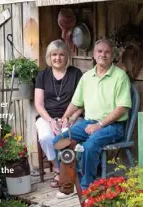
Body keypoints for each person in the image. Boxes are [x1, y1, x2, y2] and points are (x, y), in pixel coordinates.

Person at [53, 38, 132, 192]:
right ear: (94, 55)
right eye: (100, 51)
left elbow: (122, 107)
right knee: (58, 140)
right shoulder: (87, 77)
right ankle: (70, 179)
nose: (103, 54)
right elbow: (76, 102)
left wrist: (100, 125)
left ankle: (86, 186)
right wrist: (64, 119)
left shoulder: (120, 76)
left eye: (107, 52)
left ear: (112, 56)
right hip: (88, 123)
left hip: (112, 126)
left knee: (90, 146)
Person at [34, 39, 83, 188]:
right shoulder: (42, 75)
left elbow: (82, 102)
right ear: (49, 56)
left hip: (71, 117)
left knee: (67, 136)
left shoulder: (75, 74)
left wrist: (72, 117)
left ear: (67, 56)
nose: (58, 58)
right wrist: (50, 121)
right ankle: (58, 169)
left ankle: (68, 170)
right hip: (47, 117)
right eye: (54, 54)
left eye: (61, 54)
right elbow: (39, 104)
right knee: (46, 137)